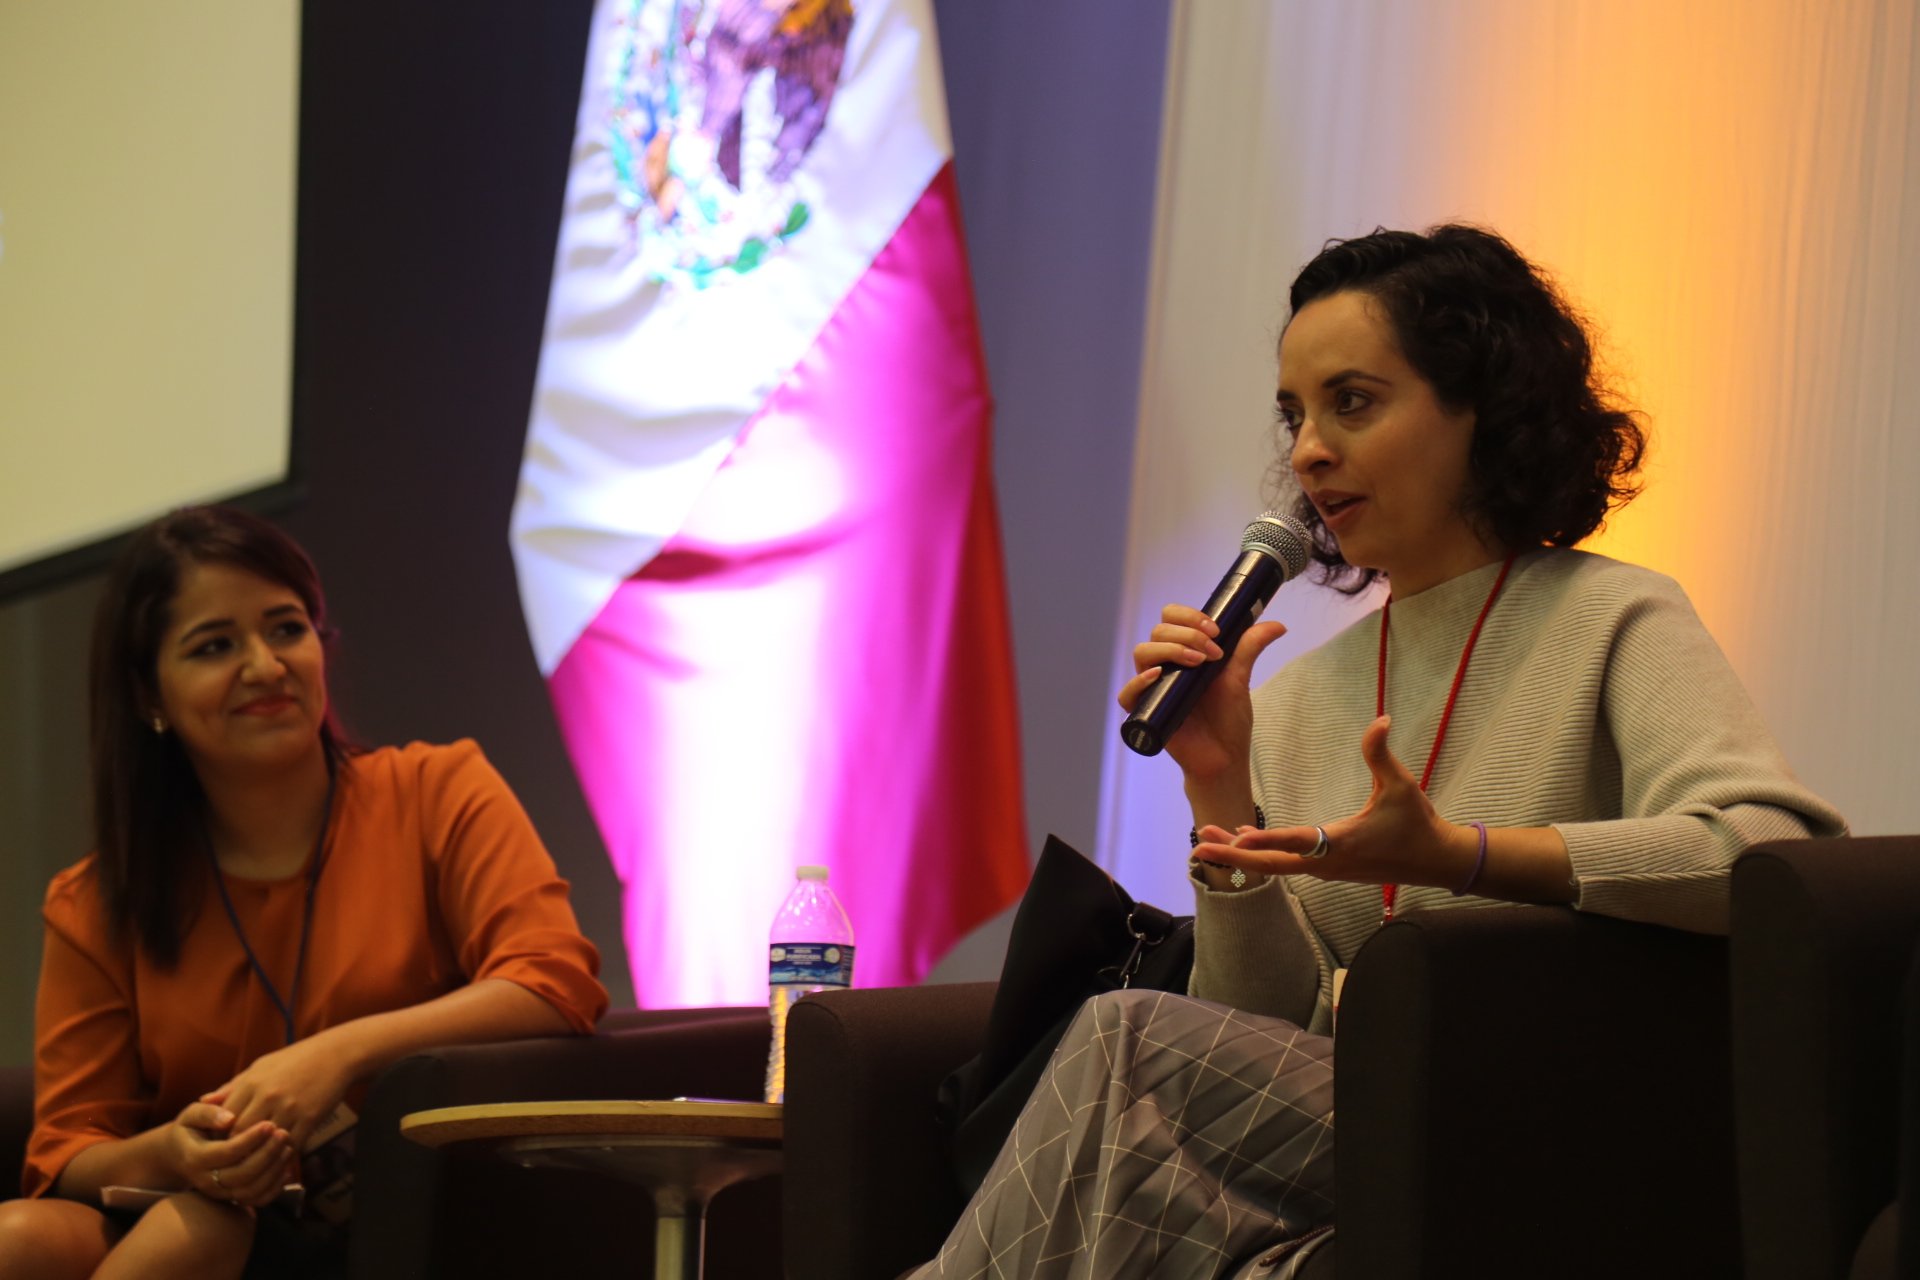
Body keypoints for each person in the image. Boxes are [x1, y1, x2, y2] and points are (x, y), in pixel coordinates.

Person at [911, 225, 1847, 1279]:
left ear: (1482, 410)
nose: (1307, 450)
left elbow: (1764, 853)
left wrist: (1466, 853)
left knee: (1129, 1042)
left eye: (1351, 402)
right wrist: (1220, 781)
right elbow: (1254, 1032)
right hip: (1351, 1139)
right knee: (1153, 1194)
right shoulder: (1306, 691)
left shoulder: (1617, 615)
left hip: (1549, 1119)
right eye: (1294, 414)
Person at [0, 506, 609, 1279]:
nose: (264, 665)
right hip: (210, 1216)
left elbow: (552, 983)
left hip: (414, 1221)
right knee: (22, 1236)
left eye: (286, 629)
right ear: (148, 695)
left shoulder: (437, 790)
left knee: (196, 1232)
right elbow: (68, 1152)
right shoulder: (95, 899)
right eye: (215, 646)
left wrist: (330, 1058)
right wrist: (183, 1152)